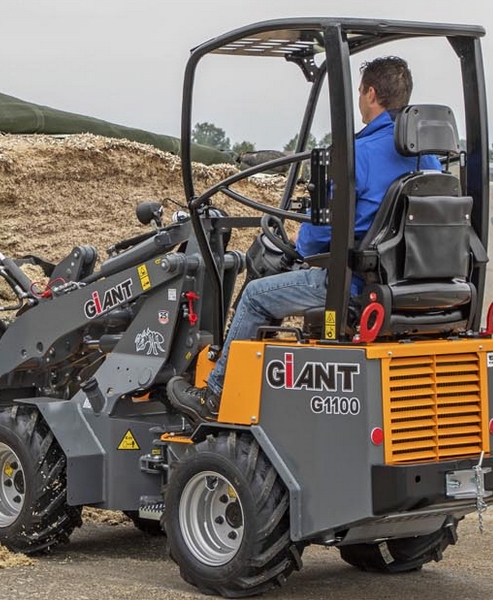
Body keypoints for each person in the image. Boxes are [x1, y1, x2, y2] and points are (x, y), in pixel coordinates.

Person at [167, 56, 441, 422]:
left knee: (254, 296)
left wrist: (301, 238)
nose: (361, 100)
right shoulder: (429, 159)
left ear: (371, 94)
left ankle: (215, 395)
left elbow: (318, 238)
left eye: (361, 92)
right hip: (413, 287)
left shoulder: (358, 155)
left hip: (356, 285)